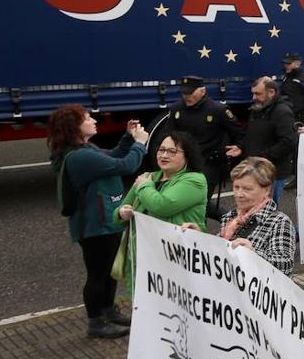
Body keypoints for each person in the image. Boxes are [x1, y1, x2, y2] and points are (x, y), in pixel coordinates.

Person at [195, 157, 297, 359]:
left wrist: (254, 253)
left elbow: (284, 266)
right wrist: (195, 239)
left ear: (266, 190)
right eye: (237, 187)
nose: (239, 194)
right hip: (231, 312)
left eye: (247, 189)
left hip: (260, 317)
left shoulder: (278, 223)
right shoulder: (231, 217)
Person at [48, 106, 149, 339]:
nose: (94, 120)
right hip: (94, 224)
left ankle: (108, 311)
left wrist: (127, 137)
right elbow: (124, 166)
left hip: (104, 219)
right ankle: (96, 322)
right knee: (97, 273)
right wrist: (140, 144)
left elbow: (111, 155)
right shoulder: (80, 156)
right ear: (74, 127)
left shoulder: (84, 149)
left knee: (109, 271)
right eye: (87, 118)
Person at [115, 131, 209, 298]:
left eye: (172, 152)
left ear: (188, 156)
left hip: (177, 258)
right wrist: (122, 214)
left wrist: (144, 186)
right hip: (144, 255)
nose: (164, 155)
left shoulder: (195, 180)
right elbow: (118, 213)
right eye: (161, 150)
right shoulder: (149, 177)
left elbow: (161, 206)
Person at [168, 75, 240, 219]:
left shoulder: (218, 110)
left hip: (208, 164)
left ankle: (226, 223)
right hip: (184, 163)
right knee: (190, 202)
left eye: (190, 93)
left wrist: (239, 147)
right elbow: (168, 135)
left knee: (199, 203)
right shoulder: (176, 109)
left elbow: (238, 132)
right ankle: (229, 219)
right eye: (183, 93)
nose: (186, 96)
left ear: (202, 91)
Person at [225, 76, 296, 202]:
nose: (253, 98)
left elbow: (287, 142)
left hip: (272, 172)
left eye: (257, 93)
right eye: (253, 94)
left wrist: (261, 157)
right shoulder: (257, 109)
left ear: (271, 93)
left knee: (266, 210)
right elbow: (250, 133)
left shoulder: (282, 112)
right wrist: (241, 147)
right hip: (256, 169)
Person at [279, 52, 304, 126]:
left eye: (289, 64)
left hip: (300, 120)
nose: (286, 66)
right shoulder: (286, 77)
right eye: (285, 63)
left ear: (298, 63)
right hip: (288, 117)